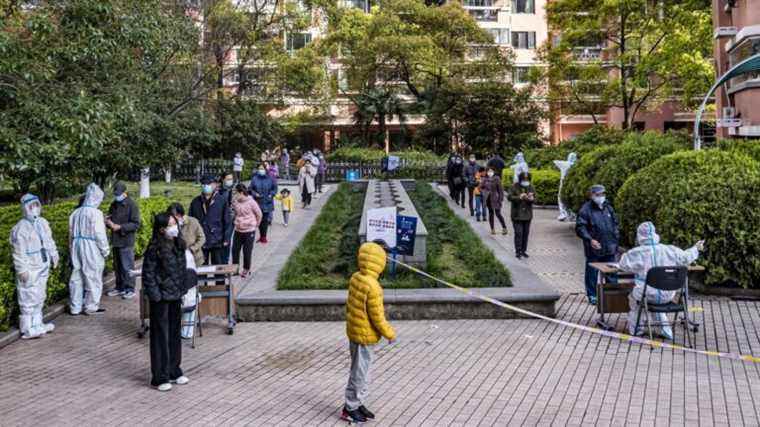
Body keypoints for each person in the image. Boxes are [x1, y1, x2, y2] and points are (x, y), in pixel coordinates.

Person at [619, 222, 704, 340]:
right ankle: (665, 329)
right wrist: (696, 248)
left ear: (639, 236)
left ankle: (637, 329)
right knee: (651, 297)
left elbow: (623, 265)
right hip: (668, 294)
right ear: (654, 234)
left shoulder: (637, 253)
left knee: (635, 300)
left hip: (647, 294)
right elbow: (686, 257)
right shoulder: (669, 249)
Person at [342, 242, 396, 424]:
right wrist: (389, 333)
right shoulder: (373, 287)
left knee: (360, 370)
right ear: (379, 262)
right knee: (360, 373)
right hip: (364, 336)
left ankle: (358, 404)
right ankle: (350, 408)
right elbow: (377, 317)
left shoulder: (356, 277)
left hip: (355, 332)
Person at [141, 213, 191, 391]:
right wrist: (156, 295)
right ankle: (160, 376)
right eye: (170, 224)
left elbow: (182, 270)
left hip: (175, 296)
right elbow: (148, 274)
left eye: (175, 223)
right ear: (161, 229)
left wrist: (181, 290)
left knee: (174, 334)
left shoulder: (178, 244)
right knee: (160, 337)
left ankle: (174, 370)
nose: (174, 227)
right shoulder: (155, 248)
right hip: (161, 298)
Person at [10, 194, 60, 339]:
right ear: (25, 208)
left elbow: (49, 240)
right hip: (30, 267)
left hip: (42, 264)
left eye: (36, 205)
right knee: (27, 296)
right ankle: (27, 328)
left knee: (40, 295)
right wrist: (22, 270)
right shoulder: (19, 229)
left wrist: (54, 255)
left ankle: (38, 324)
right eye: (31, 206)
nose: (35, 209)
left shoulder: (42, 222)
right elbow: (18, 253)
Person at [68, 183, 110, 315]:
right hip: (91, 246)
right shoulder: (96, 213)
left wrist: (71, 248)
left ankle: (75, 307)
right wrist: (105, 250)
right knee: (93, 276)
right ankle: (91, 306)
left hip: (76, 244)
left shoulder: (75, 212)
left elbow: (69, 232)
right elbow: (99, 234)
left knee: (76, 276)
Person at [576, 184, 620, 305]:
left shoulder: (608, 208)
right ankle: (592, 295)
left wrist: (616, 237)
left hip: (610, 246)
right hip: (594, 248)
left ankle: (613, 295)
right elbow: (580, 228)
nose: (601, 196)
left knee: (611, 272)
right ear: (591, 195)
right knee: (592, 273)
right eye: (598, 194)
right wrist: (590, 239)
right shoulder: (585, 210)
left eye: (603, 194)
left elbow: (615, 223)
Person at [105, 181, 141, 299]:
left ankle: (130, 288)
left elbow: (136, 224)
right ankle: (119, 287)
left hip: (126, 240)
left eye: (119, 194)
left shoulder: (132, 205)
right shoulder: (114, 204)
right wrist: (107, 222)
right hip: (115, 240)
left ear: (125, 193)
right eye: (115, 194)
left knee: (127, 266)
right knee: (118, 266)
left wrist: (120, 227)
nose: (117, 196)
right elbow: (110, 217)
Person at [189, 175, 233, 265]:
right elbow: (191, 222)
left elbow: (227, 221)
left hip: (217, 240)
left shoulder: (221, 201)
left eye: (208, 184)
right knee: (201, 270)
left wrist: (226, 239)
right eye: (204, 184)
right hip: (201, 241)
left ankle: (220, 279)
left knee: (219, 268)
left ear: (214, 185)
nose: (206, 186)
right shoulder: (195, 202)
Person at [231, 183, 263, 278]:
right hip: (238, 230)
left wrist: (255, 225)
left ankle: (246, 269)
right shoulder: (234, 201)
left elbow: (259, 214)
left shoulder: (251, 202)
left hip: (249, 231)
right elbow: (233, 212)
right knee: (235, 250)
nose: (234, 195)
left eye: (235, 193)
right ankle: (235, 269)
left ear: (241, 192)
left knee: (247, 251)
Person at [507, 172, 535, 259]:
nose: (525, 181)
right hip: (517, 215)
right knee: (519, 233)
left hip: (527, 215)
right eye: (523, 179)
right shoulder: (514, 186)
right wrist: (519, 197)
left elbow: (535, 198)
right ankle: (518, 251)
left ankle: (523, 251)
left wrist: (531, 198)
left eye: (527, 179)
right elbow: (509, 197)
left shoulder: (531, 187)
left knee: (525, 234)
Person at [167, 203, 205, 267]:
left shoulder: (193, 221)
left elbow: (202, 238)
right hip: (178, 260)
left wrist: (192, 249)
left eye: (173, 216)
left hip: (195, 259)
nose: (171, 219)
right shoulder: (171, 225)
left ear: (179, 215)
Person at [249, 164, 277, 244]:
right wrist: (255, 194)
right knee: (258, 220)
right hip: (257, 202)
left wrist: (271, 194)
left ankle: (263, 237)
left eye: (262, 168)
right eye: (259, 168)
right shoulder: (254, 178)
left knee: (264, 220)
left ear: (265, 169)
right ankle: (258, 236)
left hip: (267, 202)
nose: (261, 170)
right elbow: (251, 189)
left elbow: (274, 188)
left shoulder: (271, 178)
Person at [479, 167, 508, 235]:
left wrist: (501, 199)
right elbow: (480, 187)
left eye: (491, 171)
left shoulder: (497, 178)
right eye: (488, 171)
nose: (490, 172)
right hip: (488, 199)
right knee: (491, 213)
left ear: (494, 171)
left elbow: (500, 190)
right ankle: (492, 229)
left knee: (498, 213)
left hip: (496, 198)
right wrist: (484, 192)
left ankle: (504, 228)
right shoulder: (485, 179)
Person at [553, 152, 577, 221]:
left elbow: (555, 162)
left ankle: (564, 214)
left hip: (563, 184)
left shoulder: (564, 164)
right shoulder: (576, 165)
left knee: (561, 199)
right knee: (571, 199)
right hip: (572, 185)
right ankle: (572, 214)